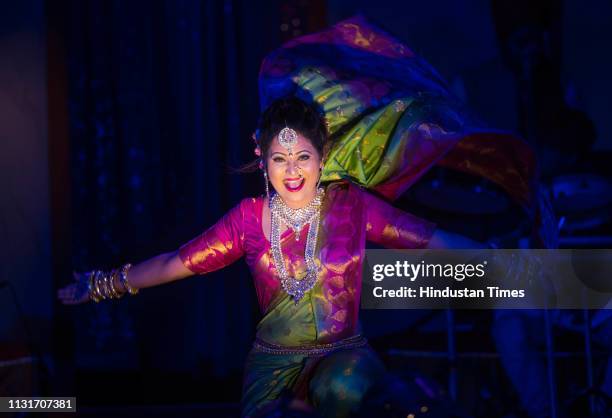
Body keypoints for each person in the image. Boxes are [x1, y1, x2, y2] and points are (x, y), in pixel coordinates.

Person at [58, 16, 552, 417]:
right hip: (272, 367)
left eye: (303, 159)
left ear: (322, 155)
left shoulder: (350, 206)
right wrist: (105, 284)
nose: (292, 172)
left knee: (345, 388)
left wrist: (505, 266)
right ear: (261, 156)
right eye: (280, 159)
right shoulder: (248, 220)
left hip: (345, 361)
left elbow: (433, 239)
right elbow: (176, 261)